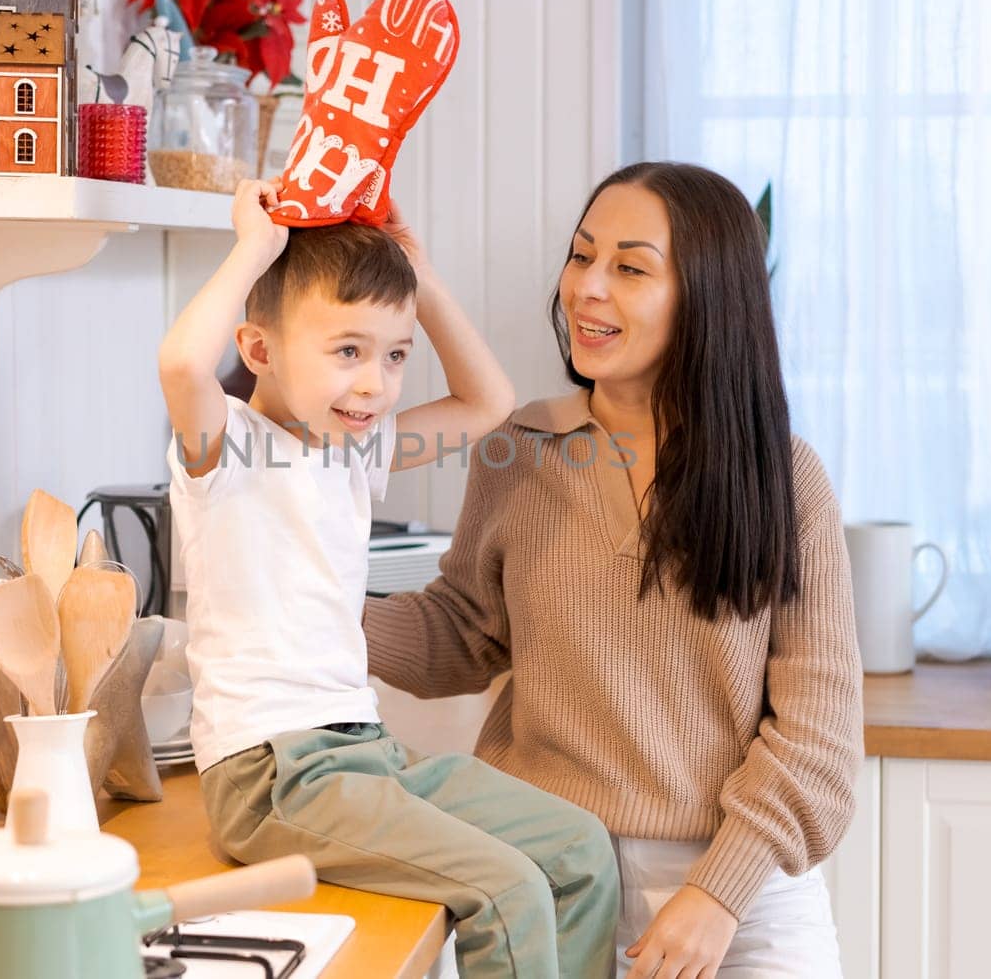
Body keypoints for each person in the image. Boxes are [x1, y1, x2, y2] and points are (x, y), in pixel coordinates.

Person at [364, 161, 864, 978]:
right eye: (581, 254)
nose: (587, 288)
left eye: (630, 267)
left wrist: (717, 893)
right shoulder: (518, 446)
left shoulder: (784, 476)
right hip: (541, 867)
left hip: (739, 894)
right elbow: (463, 631)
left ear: (707, 296)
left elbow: (818, 736)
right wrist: (303, 607)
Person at [157, 179, 622, 979]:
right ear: (260, 349)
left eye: (394, 355)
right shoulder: (227, 446)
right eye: (348, 351)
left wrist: (423, 278)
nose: (377, 383)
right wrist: (253, 250)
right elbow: (181, 360)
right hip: (272, 772)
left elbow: (489, 401)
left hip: (364, 751)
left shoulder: (351, 449)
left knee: (581, 851)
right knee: (508, 890)